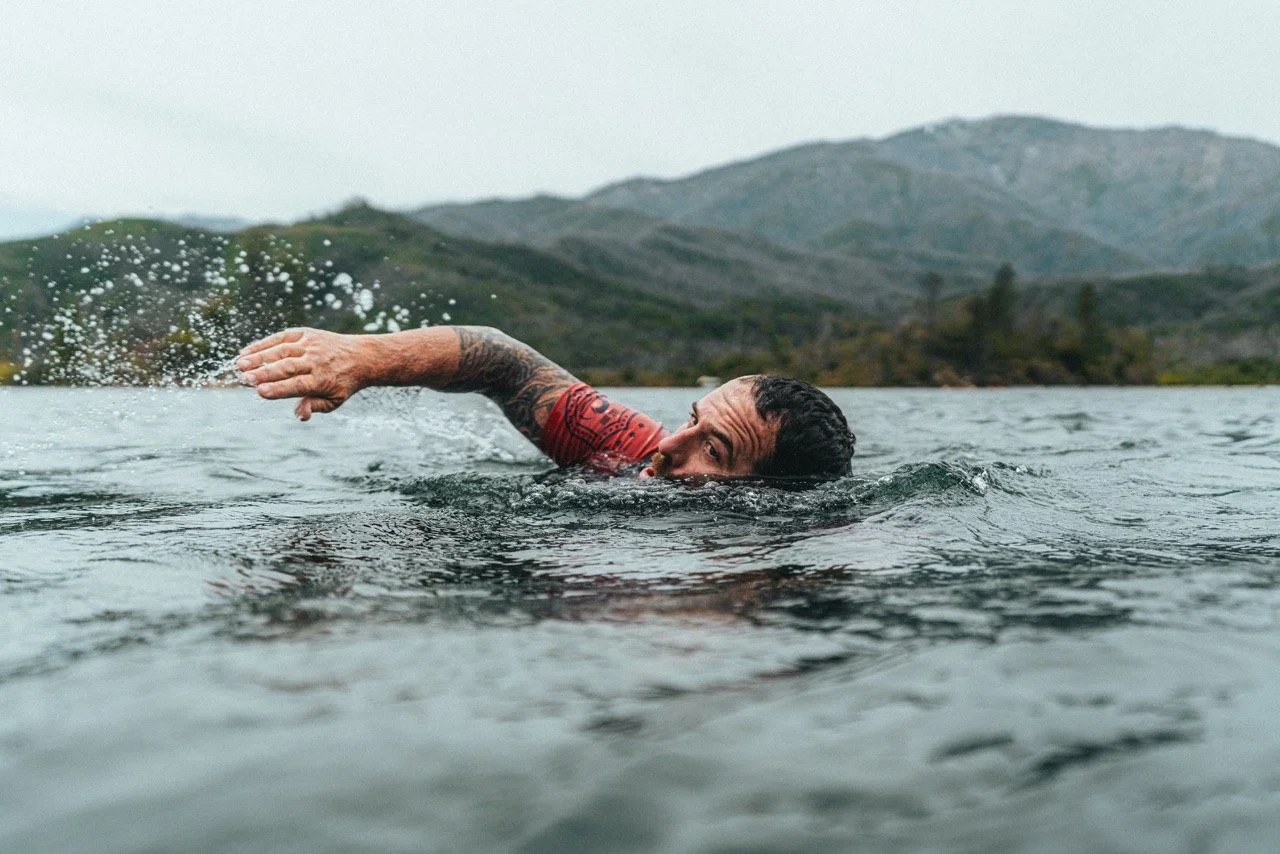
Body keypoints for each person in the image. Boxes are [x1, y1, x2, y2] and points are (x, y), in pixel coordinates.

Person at [235, 326, 855, 481]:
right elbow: (502, 361)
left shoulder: (758, 569)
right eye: (692, 420)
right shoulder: (637, 455)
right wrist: (363, 360)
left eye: (712, 451)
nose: (667, 445)